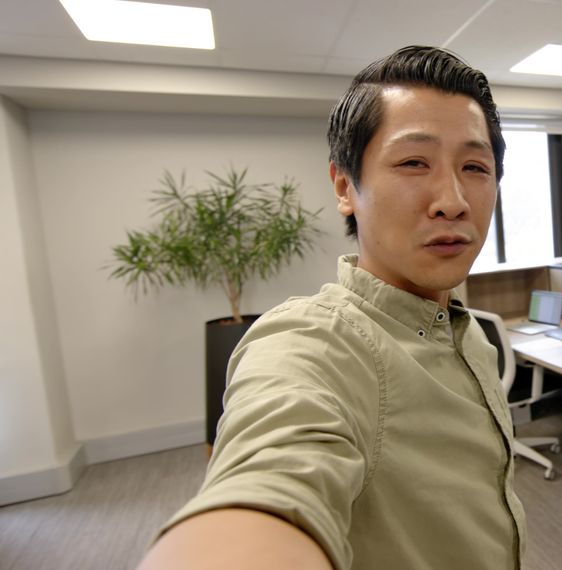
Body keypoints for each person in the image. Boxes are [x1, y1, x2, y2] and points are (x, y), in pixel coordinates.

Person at [138, 46, 525, 570]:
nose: (453, 200)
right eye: (415, 162)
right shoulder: (316, 343)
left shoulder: (465, 330)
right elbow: (273, 473)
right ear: (345, 186)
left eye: (476, 166)